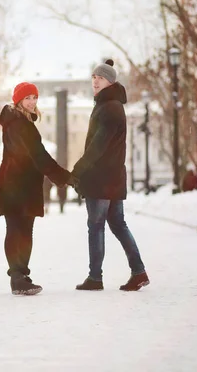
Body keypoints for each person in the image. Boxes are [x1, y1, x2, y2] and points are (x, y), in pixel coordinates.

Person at [71, 60, 149, 292]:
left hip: (102, 178)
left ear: (111, 82)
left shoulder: (110, 107)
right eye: (94, 76)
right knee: (117, 224)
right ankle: (139, 272)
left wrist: (77, 170)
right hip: (113, 176)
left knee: (96, 225)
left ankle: (95, 278)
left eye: (101, 78)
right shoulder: (109, 105)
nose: (95, 80)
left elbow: (98, 146)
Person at [0, 82, 76, 296]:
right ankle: (17, 277)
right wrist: (65, 177)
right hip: (16, 184)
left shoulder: (21, 121)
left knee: (24, 230)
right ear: (18, 100)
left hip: (24, 184)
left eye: (34, 97)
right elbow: (38, 155)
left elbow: (37, 156)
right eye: (27, 98)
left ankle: (21, 274)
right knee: (16, 230)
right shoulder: (18, 123)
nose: (32, 102)